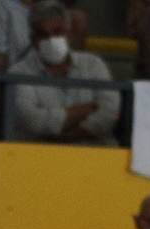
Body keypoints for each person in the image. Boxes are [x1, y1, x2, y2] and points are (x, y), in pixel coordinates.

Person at [8, 0, 118, 143]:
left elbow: (110, 112)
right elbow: (32, 120)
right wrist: (83, 111)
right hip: (40, 156)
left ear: (69, 33)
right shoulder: (18, 73)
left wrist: (69, 136)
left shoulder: (93, 65)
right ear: (33, 39)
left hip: (95, 153)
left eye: (57, 32)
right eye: (43, 34)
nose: (51, 39)